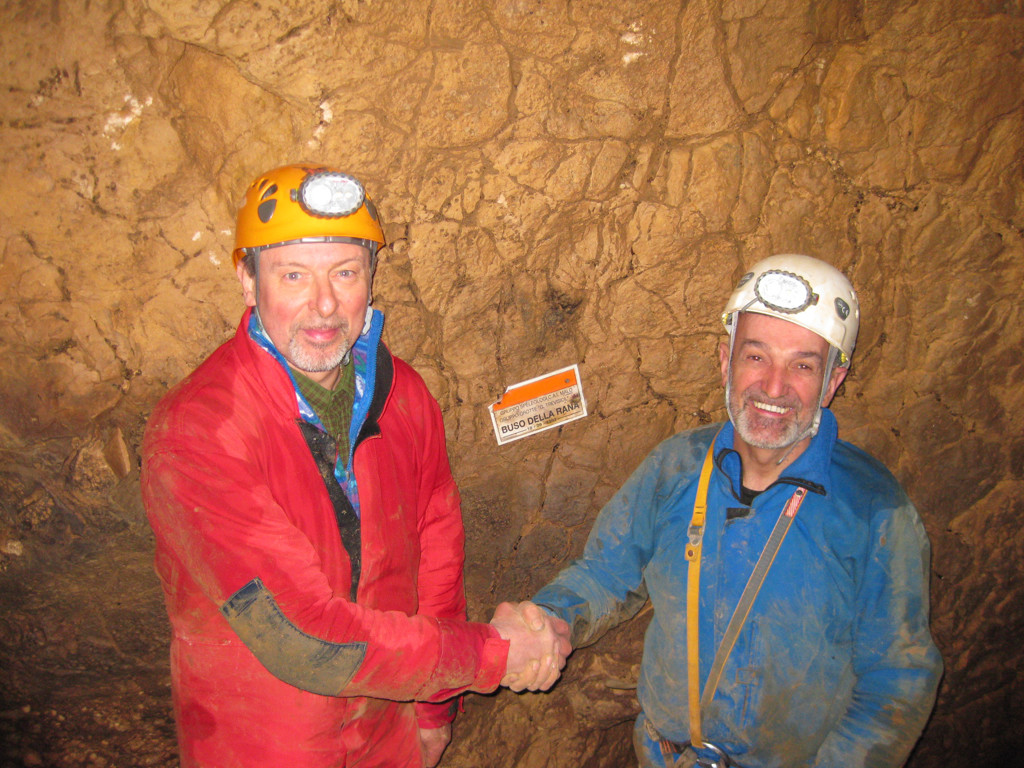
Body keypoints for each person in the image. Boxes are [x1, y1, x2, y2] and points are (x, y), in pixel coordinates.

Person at [141, 163, 570, 768]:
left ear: (371, 277)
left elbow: (437, 560)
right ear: (247, 279)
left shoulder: (404, 398)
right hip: (262, 745)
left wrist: (434, 710)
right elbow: (301, 638)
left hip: (386, 733)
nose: (323, 304)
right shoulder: (198, 433)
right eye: (293, 275)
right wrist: (493, 655)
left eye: (345, 273)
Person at [533, 254, 942, 767]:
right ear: (725, 361)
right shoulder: (676, 467)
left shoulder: (875, 511)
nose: (774, 387)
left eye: (803, 365)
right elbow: (608, 573)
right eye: (756, 357)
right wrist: (545, 618)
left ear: (833, 381)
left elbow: (896, 681)